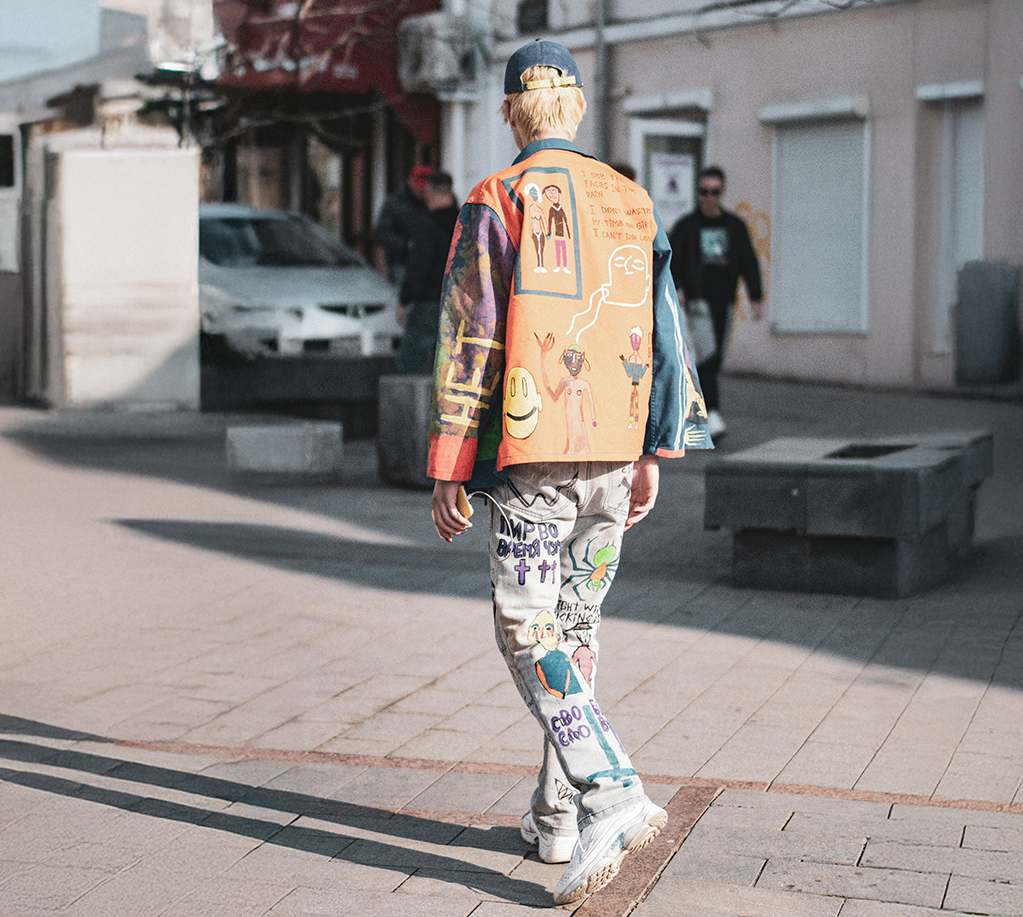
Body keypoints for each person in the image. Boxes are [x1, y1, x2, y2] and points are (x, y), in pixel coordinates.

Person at [428, 39, 711, 906]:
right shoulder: (631, 198)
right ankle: (556, 818)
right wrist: (658, 449)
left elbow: (471, 334)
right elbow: (668, 330)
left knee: (525, 622)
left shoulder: (498, 197)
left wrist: (449, 458)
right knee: (576, 623)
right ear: (579, 108)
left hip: (533, 454)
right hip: (615, 449)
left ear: (514, 111)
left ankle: (609, 788)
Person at [669, 165, 763, 439]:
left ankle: (696, 410)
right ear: (698, 194)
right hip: (698, 302)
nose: (709, 197)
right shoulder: (687, 227)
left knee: (715, 357)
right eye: (704, 192)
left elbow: (748, 261)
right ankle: (714, 414)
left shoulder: (734, 227)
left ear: (722, 193)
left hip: (725, 302)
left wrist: (755, 297)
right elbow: (672, 259)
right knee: (707, 357)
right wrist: (677, 289)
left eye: (715, 192)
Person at [395, 171, 459, 374]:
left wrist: (405, 300)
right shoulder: (464, 222)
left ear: (429, 193)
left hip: (429, 301)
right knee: (449, 363)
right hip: (459, 300)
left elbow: (419, 265)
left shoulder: (428, 225)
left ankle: (408, 406)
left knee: (411, 361)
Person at [372, 163, 433, 286]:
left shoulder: (434, 202)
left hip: (430, 263)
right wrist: (405, 244)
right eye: (418, 188)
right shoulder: (395, 202)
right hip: (402, 262)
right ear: (410, 182)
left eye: (424, 189)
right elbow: (382, 232)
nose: (421, 192)